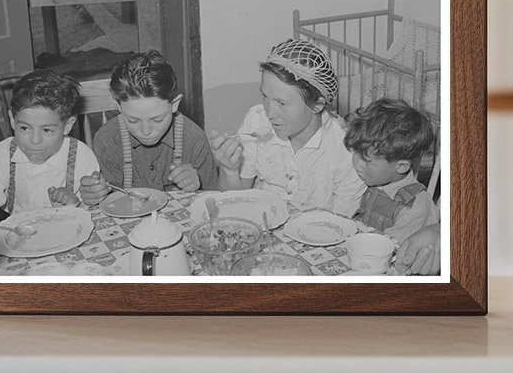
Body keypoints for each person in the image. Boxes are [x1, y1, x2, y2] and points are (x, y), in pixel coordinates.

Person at [209, 38, 365, 215]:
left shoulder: (346, 150)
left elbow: (341, 224)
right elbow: (235, 203)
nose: (270, 113)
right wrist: (229, 170)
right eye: (265, 97)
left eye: (281, 103)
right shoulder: (256, 120)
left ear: (317, 104)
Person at [80, 51, 219, 204]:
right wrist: (95, 194)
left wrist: (197, 185)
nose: (146, 131)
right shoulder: (107, 141)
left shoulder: (194, 139)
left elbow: (213, 200)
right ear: (119, 107)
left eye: (158, 119)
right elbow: (108, 203)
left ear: (174, 104)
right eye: (133, 120)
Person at [0, 69, 99, 232]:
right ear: (12, 120)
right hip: (19, 231)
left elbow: (93, 214)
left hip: (67, 229)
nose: (35, 140)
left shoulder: (82, 158)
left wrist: (75, 203)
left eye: (47, 130)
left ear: (67, 126)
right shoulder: (1, 156)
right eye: (24, 128)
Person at [342, 97, 439, 247]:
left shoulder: (414, 205)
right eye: (355, 154)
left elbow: (388, 248)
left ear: (401, 167)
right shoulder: (374, 178)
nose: (357, 165)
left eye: (367, 162)